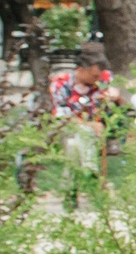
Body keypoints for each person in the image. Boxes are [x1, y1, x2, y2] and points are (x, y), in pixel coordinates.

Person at [47, 40, 123, 178]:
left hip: (97, 128)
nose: (98, 80)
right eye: (94, 76)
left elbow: (120, 105)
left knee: (72, 146)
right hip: (68, 128)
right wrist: (89, 125)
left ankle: (71, 184)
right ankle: (90, 170)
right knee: (78, 137)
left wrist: (116, 97)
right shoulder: (60, 84)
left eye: (100, 76)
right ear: (80, 70)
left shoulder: (103, 78)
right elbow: (62, 117)